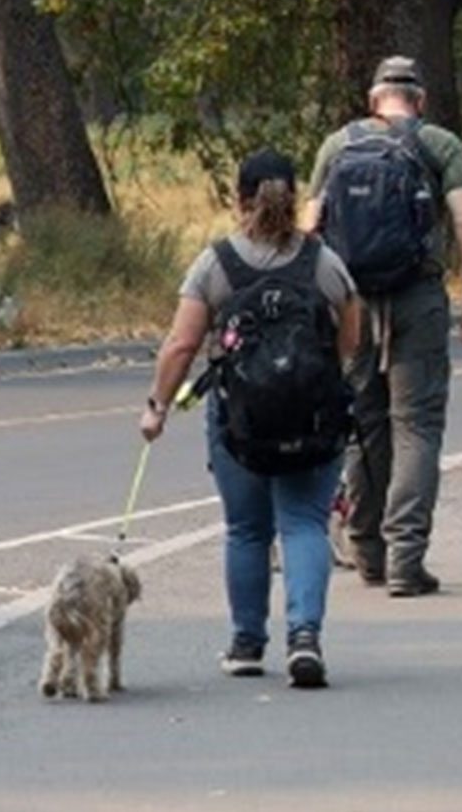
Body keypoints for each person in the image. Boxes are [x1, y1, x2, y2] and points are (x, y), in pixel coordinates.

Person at [144, 149, 361, 687]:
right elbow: (351, 341)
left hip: (239, 421)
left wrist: (158, 407)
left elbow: (181, 345)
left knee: (246, 529)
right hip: (312, 420)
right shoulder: (323, 262)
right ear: (293, 198)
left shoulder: (216, 264)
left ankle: (246, 643)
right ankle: (304, 637)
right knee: (305, 523)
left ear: (239, 199)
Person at [306, 56, 462, 598]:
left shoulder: (337, 146)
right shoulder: (438, 144)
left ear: (372, 98)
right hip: (417, 298)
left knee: (364, 424)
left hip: (352, 300)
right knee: (418, 426)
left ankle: (367, 551)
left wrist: (317, 304)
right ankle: (407, 557)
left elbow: (310, 228)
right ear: (420, 100)